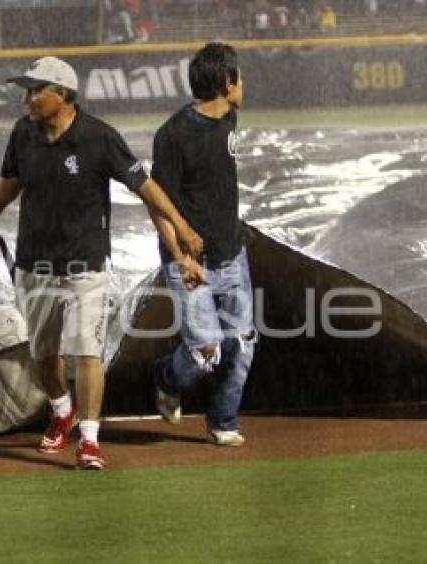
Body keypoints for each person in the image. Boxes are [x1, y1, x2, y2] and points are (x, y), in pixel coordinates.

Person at [0, 56, 202, 470]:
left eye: (35, 90)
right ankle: (62, 409)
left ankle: (90, 440)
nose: (27, 99)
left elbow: (146, 187)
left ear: (61, 94)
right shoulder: (23, 133)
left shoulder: (99, 138)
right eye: (26, 90)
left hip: (87, 268)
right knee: (44, 356)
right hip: (35, 267)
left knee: (87, 354)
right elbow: (12, 180)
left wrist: (182, 229)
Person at [150, 43, 257, 447]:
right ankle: (165, 377)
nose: (243, 84)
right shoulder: (173, 135)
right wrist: (180, 258)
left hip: (233, 255)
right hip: (191, 261)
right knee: (205, 350)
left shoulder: (230, 117)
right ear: (227, 83)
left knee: (242, 343)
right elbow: (158, 207)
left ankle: (223, 421)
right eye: (239, 77)